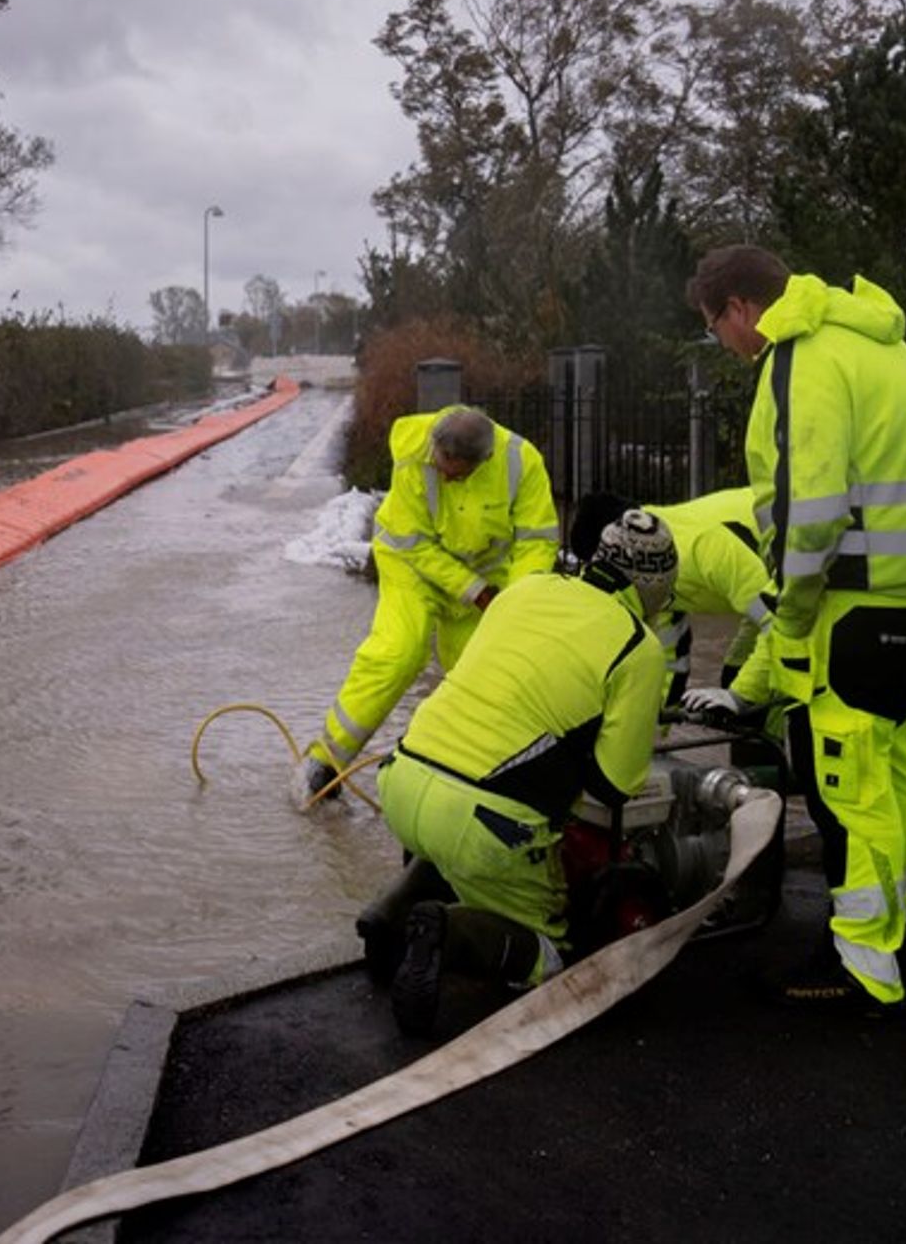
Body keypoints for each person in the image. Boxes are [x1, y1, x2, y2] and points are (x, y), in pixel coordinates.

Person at [680, 245, 906, 1016]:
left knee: (845, 782)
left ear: (739, 308)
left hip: (858, 601)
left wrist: (794, 614)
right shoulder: (877, 337)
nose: (724, 343)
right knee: (897, 765)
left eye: (715, 327)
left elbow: (813, 507)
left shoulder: (801, 357)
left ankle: (864, 963)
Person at [363, 509, 678, 1037]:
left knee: (454, 846)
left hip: (402, 778)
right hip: (484, 820)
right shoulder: (636, 645)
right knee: (556, 959)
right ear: (656, 586)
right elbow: (614, 785)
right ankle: (446, 931)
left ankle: (386, 918)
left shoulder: (524, 589)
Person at [299, 405, 560, 800]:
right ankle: (326, 761)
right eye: (440, 464)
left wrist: (515, 606)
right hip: (412, 567)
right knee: (398, 653)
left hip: (486, 581)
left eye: (456, 471)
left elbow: (536, 543)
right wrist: (474, 589)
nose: (445, 474)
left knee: (484, 671)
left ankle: (473, 772)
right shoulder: (414, 455)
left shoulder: (521, 463)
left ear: (483, 460)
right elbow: (413, 542)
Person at [564, 488, 773, 705]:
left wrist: (742, 695)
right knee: (738, 686)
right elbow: (669, 659)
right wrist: (655, 723)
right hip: (767, 589)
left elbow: (781, 622)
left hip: (798, 570)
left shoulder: (701, 547)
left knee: (771, 691)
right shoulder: (650, 568)